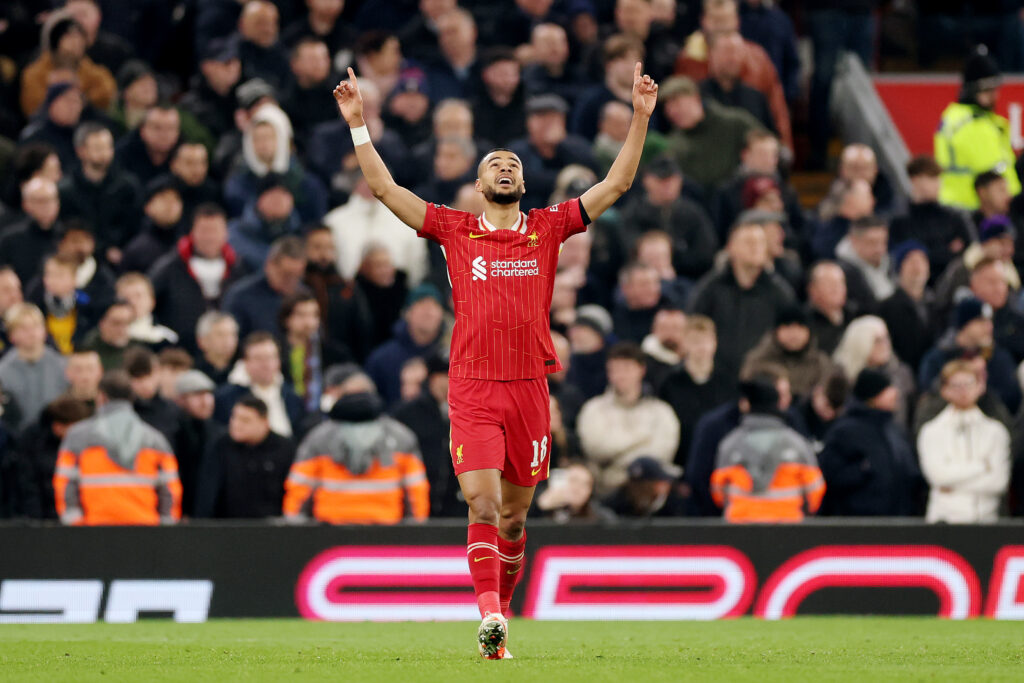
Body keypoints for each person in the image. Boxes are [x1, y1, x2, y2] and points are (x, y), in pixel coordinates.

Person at [333, 58, 658, 657]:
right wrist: (358, 125)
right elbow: (385, 189)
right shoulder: (456, 230)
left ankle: (500, 618)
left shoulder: (549, 228)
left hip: (531, 387)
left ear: (523, 185)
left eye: (513, 164)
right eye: (494, 165)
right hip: (475, 387)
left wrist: (639, 117)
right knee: (480, 502)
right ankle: (489, 614)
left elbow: (615, 186)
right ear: (479, 187)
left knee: (513, 518)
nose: (505, 168)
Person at [284, 382, 429, 524]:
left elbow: (299, 488)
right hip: (386, 529)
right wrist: (415, 530)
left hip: (331, 532)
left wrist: (296, 529)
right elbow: (416, 490)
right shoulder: (400, 436)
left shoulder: (319, 437)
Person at [53, 370, 181, 525]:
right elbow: (170, 489)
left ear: (101, 396)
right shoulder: (155, 440)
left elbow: (65, 484)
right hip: (145, 533)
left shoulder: (78, 437)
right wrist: (165, 526)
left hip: (93, 533)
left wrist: (75, 522)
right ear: (131, 397)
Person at [688, 212, 795, 378]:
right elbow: (694, 326)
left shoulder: (779, 292)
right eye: (748, 242)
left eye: (760, 243)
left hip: (762, 378)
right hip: (717, 377)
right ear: (731, 247)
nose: (755, 248)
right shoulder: (710, 289)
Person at [711, 378, 824, 522]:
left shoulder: (730, 444)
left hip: (739, 527)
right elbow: (814, 493)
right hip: (789, 529)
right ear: (777, 405)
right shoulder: (797, 444)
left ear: (749, 406)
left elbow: (718, 493)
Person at [576, 342, 680, 495]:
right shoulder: (593, 409)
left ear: (641, 370)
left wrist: (618, 463)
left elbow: (661, 454)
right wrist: (642, 439)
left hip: (650, 490)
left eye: (627, 368)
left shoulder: (661, 412)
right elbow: (596, 448)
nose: (621, 375)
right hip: (606, 492)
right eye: (615, 370)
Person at [818, 368, 922, 517]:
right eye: (888, 389)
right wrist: (863, 470)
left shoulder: (894, 429)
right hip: (859, 523)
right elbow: (830, 475)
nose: (895, 393)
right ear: (873, 395)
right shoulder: (845, 431)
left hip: (899, 520)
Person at [917, 360, 1010, 524]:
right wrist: (982, 467)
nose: (963, 391)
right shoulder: (931, 431)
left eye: (968, 384)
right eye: (956, 385)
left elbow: (999, 482)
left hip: (986, 521)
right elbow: (938, 477)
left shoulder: (996, 431)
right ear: (944, 390)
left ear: (980, 386)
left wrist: (952, 487)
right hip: (944, 521)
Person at [149, 204, 246, 354]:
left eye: (215, 230)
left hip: (229, 354)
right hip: (180, 353)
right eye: (204, 230)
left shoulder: (239, 268)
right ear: (192, 232)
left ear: (226, 233)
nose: (210, 237)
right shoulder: (168, 269)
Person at [935, 47, 1021, 210]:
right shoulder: (973, 124)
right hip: (976, 208)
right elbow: (992, 176)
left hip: (960, 205)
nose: (995, 96)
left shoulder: (955, 117)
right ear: (974, 90)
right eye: (988, 90)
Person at [618, 155, 718, 279]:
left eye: (672, 179)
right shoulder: (633, 213)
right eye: (661, 180)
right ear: (646, 181)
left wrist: (674, 259)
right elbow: (627, 249)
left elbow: (705, 254)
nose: (667, 185)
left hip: (686, 280)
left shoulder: (693, 213)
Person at [196, 395, 295, 519]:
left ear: (264, 423)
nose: (236, 424)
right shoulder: (220, 446)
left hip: (271, 529)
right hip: (228, 529)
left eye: (245, 420)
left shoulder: (284, 449)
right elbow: (207, 495)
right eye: (234, 417)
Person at [919, 297, 1021, 415]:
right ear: (964, 325)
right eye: (981, 322)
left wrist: (983, 386)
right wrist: (957, 377)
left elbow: (1012, 401)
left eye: (989, 321)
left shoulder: (999, 358)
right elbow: (928, 399)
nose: (989, 327)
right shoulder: (937, 358)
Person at [660, 75, 761, 194]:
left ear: (695, 98)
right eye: (667, 107)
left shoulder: (734, 123)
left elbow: (770, 146)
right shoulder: (673, 144)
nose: (672, 111)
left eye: (676, 102)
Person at [658, 314, 736, 466]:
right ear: (685, 343)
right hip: (681, 459)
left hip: (720, 460)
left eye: (707, 341)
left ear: (715, 342)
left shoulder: (729, 381)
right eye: (695, 341)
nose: (702, 347)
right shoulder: (670, 382)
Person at [58, 122, 140, 263]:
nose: (104, 153)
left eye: (107, 147)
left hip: (119, 258)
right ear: (81, 151)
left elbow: (135, 224)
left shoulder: (127, 186)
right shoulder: (65, 190)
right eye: (97, 148)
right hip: (77, 257)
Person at [889, 156, 973, 279]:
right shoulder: (899, 221)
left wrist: (927, 253)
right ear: (915, 180)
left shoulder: (954, 217)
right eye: (932, 178)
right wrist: (947, 251)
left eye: (939, 179)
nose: (938, 184)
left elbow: (970, 251)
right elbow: (904, 257)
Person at [11, 396, 92, 519]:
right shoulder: (32, 442)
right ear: (58, 427)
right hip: (44, 519)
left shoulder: (88, 444)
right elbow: (28, 485)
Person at [214, 332, 305, 439]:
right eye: (258, 359)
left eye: (270, 357)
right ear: (245, 362)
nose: (266, 364)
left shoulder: (292, 396)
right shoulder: (226, 397)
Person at [741, 304, 835, 399]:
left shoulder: (820, 363)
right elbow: (747, 384)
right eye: (787, 326)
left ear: (809, 332)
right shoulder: (758, 359)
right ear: (776, 331)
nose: (794, 334)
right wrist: (777, 375)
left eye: (800, 327)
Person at [0, 303, 68, 433]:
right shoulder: (3, 372)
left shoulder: (63, 365)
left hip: (55, 437)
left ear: (44, 330)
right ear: (11, 335)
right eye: (23, 328)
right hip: (18, 441)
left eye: (36, 326)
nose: (31, 333)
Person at [222, 235, 308, 339]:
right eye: (286, 275)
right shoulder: (240, 297)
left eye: (297, 275)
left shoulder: (303, 296)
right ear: (269, 265)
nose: (292, 281)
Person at [878, 242, 939, 372]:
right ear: (900, 268)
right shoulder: (887, 307)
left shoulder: (937, 304)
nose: (917, 267)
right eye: (911, 262)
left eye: (922, 261)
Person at [172, 370, 223, 518]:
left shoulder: (219, 434)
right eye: (198, 395)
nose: (206, 401)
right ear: (180, 400)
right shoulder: (174, 434)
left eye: (209, 394)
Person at [0, 177, 63, 286]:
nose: (46, 206)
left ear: (57, 203)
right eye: (40, 201)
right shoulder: (9, 240)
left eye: (50, 200)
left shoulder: (66, 237)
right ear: (26, 204)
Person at [603, 455, 685, 518]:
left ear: (659, 485)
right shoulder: (619, 500)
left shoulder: (677, 503)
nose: (637, 490)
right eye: (634, 485)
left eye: (644, 485)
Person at [805, 261, 854, 355]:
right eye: (829, 283)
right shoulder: (804, 323)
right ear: (812, 289)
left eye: (840, 282)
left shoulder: (855, 316)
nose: (836, 288)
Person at [194, 311, 239, 387]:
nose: (228, 341)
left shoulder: (243, 371)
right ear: (202, 341)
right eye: (220, 335)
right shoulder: (194, 373)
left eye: (232, 334)